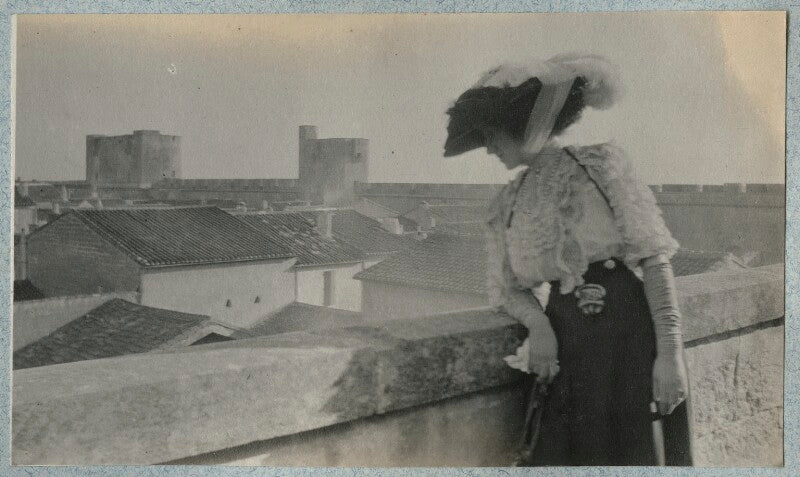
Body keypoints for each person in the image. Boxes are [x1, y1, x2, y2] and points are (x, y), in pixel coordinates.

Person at [443, 54, 691, 466]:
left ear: (522, 126)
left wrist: (671, 356)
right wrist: (539, 325)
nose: (488, 147)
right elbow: (508, 289)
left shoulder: (600, 167)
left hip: (629, 341)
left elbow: (654, 259)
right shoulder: (507, 202)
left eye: (492, 134)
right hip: (567, 352)